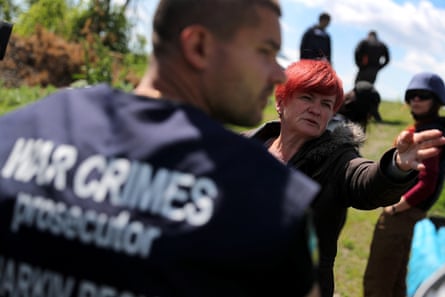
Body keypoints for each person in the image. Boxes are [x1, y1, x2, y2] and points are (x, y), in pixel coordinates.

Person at [0, 1, 322, 297]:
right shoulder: (270, 199)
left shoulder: (17, 131)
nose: (279, 74)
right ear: (199, 46)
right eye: (265, 52)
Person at [245, 59, 445, 297]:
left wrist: (396, 166)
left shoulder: (336, 159)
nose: (316, 109)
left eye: (326, 104)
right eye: (307, 98)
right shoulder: (245, 146)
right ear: (281, 101)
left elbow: (365, 181)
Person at [363, 72, 445, 297]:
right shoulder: (426, 129)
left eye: (423, 95)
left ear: (437, 101)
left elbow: (427, 183)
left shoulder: (429, 134)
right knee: (396, 280)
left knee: (378, 280)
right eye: (412, 96)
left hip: (404, 213)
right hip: (412, 214)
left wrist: (396, 207)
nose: (416, 100)